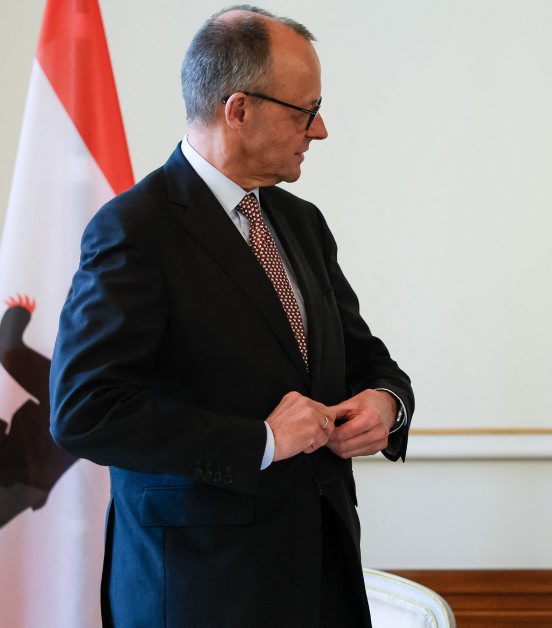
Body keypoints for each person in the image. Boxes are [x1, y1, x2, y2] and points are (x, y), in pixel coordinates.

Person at [49, 6, 413, 627]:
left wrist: (387, 403)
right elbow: (84, 411)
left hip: (324, 584)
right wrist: (261, 441)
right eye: (305, 111)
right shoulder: (135, 229)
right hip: (202, 593)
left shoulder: (301, 223)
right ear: (239, 109)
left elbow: (364, 358)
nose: (320, 130)